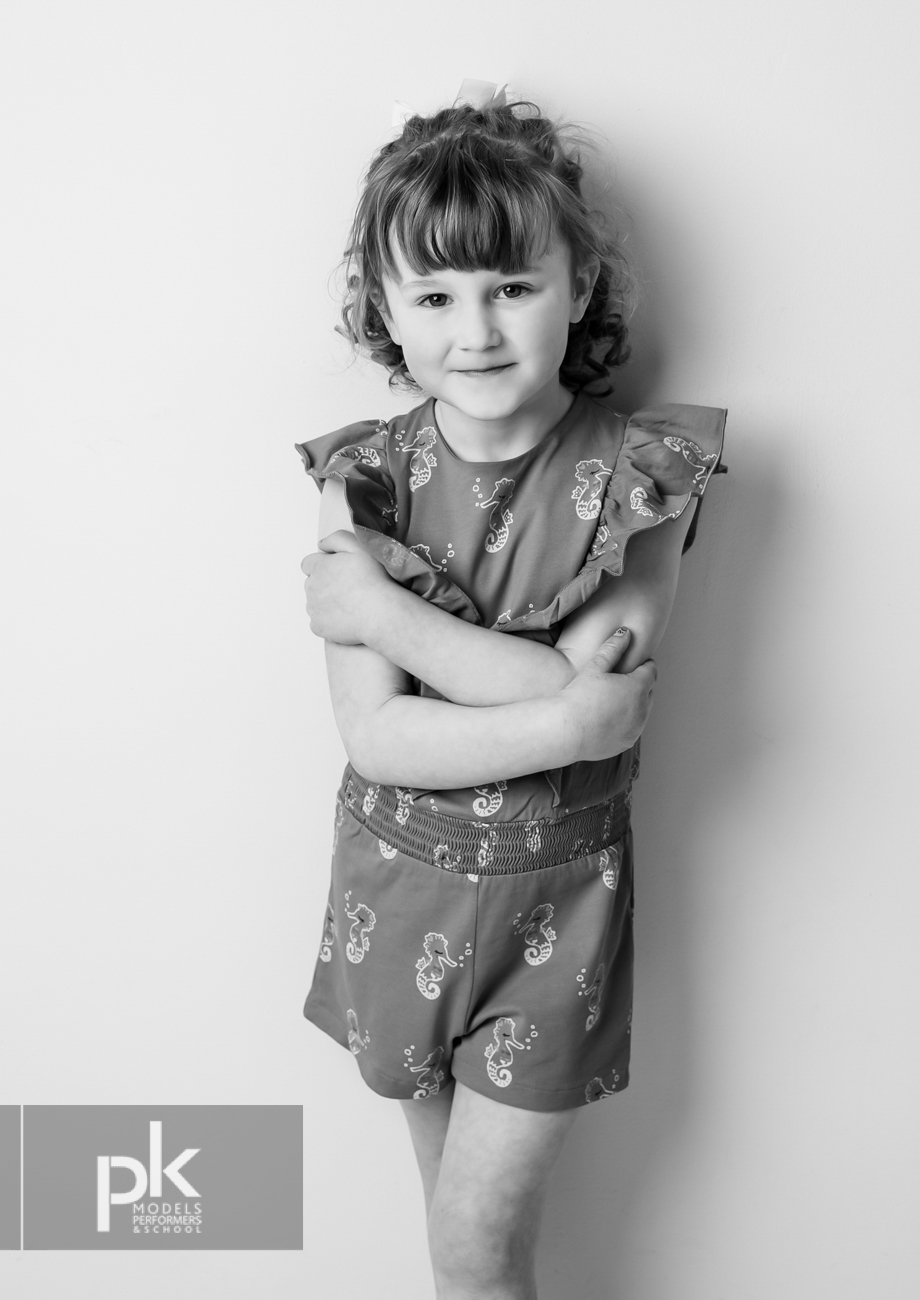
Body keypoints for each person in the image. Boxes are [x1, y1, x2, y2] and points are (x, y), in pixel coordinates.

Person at [297, 83, 726, 1300]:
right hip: (395, 891)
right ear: (383, 307)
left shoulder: (642, 472)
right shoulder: (362, 481)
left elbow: (587, 692)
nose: (475, 330)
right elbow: (379, 737)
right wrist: (563, 719)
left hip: (558, 910)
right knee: (454, 1250)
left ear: (577, 288)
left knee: (478, 1247)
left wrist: (385, 614)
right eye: (433, 296)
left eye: (511, 287)